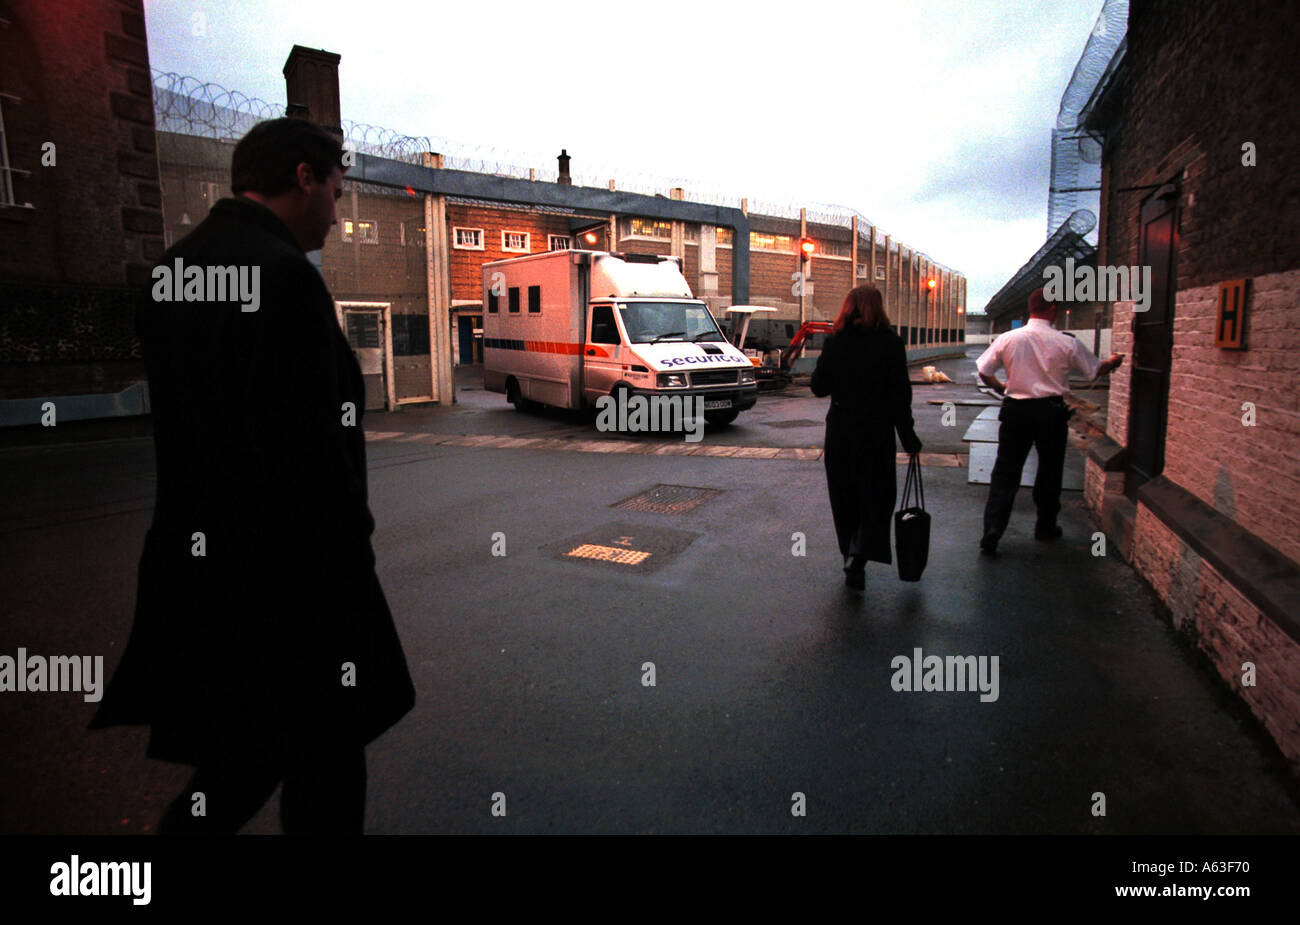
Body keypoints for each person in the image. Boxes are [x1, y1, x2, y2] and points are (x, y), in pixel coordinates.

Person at [89, 117, 415, 834]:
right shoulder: (284, 278)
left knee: (254, 750)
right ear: (303, 177)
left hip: (202, 569)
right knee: (320, 754)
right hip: (295, 582)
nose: (338, 209)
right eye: (335, 190)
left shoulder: (173, 273)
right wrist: (347, 558)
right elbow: (310, 453)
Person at [976, 287, 1124, 556]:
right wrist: (1113, 361)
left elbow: (984, 371)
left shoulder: (1008, 339)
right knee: (1050, 470)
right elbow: (1095, 371)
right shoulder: (1067, 342)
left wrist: (1001, 388)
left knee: (1006, 472)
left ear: (1030, 308)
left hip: (1015, 412)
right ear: (1053, 309)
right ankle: (1045, 526)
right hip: (1051, 413)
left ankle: (992, 531)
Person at [811, 285, 923, 590]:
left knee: (844, 496)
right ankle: (859, 553)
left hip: (841, 432)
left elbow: (818, 388)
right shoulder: (892, 344)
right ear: (879, 307)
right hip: (877, 432)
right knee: (877, 495)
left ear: (848, 307)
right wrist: (908, 438)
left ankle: (849, 552)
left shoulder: (835, 343)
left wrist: (830, 360)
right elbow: (901, 396)